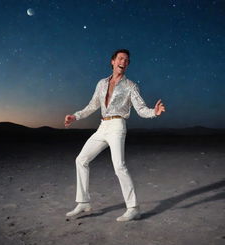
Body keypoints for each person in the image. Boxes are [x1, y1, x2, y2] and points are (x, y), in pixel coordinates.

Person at [64, 49, 165, 221]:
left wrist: (153, 112)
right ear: (113, 61)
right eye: (120, 58)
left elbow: (140, 109)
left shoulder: (131, 86)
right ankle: (83, 202)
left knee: (119, 166)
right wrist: (75, 116)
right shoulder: (102, 83)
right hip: (103, 125)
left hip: (117, 125)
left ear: (127, 64)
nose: (123, 62)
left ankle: (133, 208)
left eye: (126, 60)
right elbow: (92, 105)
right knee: (81, 160)